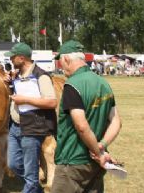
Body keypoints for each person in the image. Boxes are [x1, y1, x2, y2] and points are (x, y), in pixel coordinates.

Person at [51, 40, 122, 193]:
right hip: (95, 163)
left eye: (60, 62)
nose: (61, 67)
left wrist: (97, 151)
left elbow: (81, 126)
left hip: (72, 161)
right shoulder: (103, 82)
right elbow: (116, 121)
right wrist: (101, 146)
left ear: (66, 59)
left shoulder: (72, 85)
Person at [4, 42, 57, 193]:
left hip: (33, 126)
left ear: (22, 58)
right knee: (13, 164)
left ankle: (31, 187)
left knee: (30, 170)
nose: (11, 60)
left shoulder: (41, 76)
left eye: (13, 58)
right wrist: (10, 83)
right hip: (15, 126)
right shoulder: (18, 75)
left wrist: (25, 100)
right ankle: (35, 188)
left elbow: (51, 101)